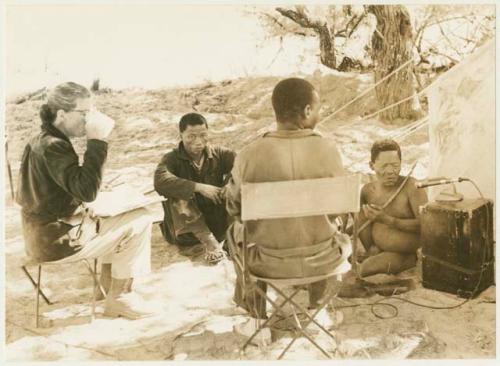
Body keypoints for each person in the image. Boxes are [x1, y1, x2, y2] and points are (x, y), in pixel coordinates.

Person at [17, 82, 154, 320]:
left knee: (109, 215)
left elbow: (34, 193)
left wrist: (80, 196)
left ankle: (106, 285)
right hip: (56, 243)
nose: (88, 119)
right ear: (62, 114)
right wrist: (97, 141)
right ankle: (119, 297)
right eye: (84, 113)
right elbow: (88, 191)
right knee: (141, 218)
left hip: (38, 236)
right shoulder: (55, 146)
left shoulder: (39, 139)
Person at [225, 78, 350, 339]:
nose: (318, 114)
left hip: (267, 261)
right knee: (329, 228)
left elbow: (234, 207)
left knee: (235, 232)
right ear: (306, 111)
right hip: (323, 258)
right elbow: (341, 207)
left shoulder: (249, 153)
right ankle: (317, 312)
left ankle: (258, 321)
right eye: (317, 109)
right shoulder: (328, 150)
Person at [154, 113, 236, 264]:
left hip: (216, 221)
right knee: (179, 195)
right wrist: (198, 187)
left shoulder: (220, 154)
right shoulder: (172, 159)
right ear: (181, 135)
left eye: (203, 135)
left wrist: (227, 185)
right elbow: (160, 181)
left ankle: (230, 238)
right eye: (191, 136)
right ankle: (209, 243)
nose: (198, 141)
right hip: (188, 230)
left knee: (237, 188)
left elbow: (243, 165)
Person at [357, 139, 428, 277]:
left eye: (395, 165)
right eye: (384, 166)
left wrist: (388, 220)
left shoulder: (411, 187)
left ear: (401, 164)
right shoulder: (367, 190)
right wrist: (370, 247)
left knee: (365, 269)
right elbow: (362, 223)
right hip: (377, 248)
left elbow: (426, 225)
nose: (390, 171)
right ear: (372, 165)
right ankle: (373, 252)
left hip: (404, 251)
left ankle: (408, 260)